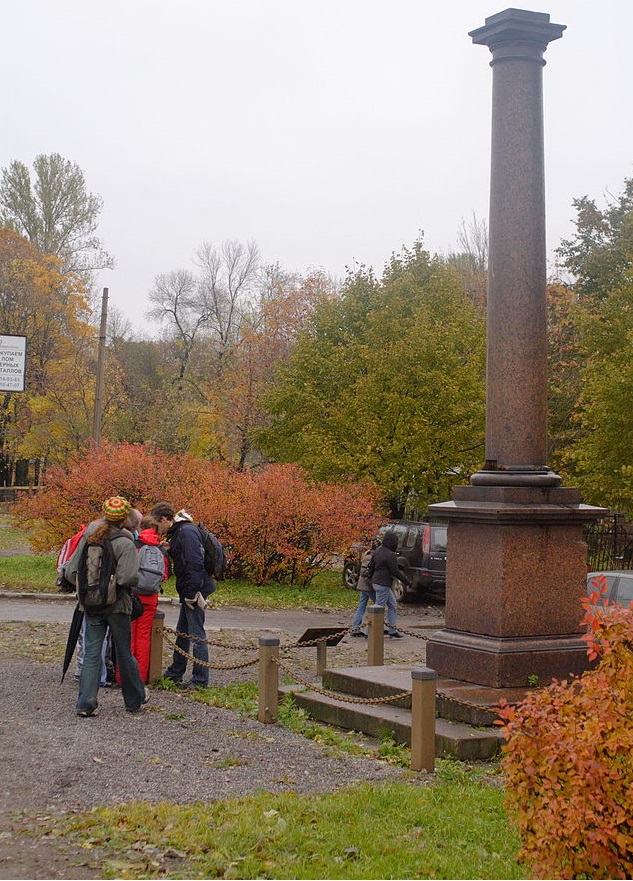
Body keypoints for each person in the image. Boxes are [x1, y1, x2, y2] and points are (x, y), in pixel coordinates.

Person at [65, 496, 148, 716]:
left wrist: (91, 588)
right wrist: (113, 585)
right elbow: (128, 578)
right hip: (118, 606)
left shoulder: (87, 540)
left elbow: (70, 572)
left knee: (92, 653)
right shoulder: (125, 543)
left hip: (90, 605)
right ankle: (134, 700)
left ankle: (86, 703)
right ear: (124, 518)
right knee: (123, 652)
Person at [150, 503, 215, 688]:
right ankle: (175, 672)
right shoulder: (182, 532)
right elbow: (187, 557)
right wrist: (171, 548)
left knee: (196, 635)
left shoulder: (185, 532)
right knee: (183, 633)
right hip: (190, 588)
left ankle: (200, 680)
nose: (158, 528)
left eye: (158, 524)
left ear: (164, 519)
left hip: (194, 590)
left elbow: (194, 563)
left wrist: (192, 593)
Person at [116, 515, 169, 685]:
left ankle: (123, 678)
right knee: (144, 637)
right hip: (151, 598)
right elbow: (165, 576)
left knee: (128, 636)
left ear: (140, 528)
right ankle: (140, 677)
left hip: (132, 596)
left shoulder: (134, 546)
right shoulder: (161, 551)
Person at [370, 530, 411, 638]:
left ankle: (392, 629)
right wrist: (407, 582)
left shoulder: (378, 551)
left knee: (392, 605)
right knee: (378, 609)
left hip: (377, 582)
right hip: (383, 583)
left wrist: (371, 579)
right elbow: (395, 571)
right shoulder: (390, 554)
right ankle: (370, 631)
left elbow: (372, 566)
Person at [350, 540, 377, 637]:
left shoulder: (367, 555)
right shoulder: (370, 557)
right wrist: (372, 584)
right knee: (377, 606)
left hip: (363, 585)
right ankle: (369, 630)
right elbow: (365, 573)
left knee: (361, 607)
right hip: (368, 586)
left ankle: (355, 628)